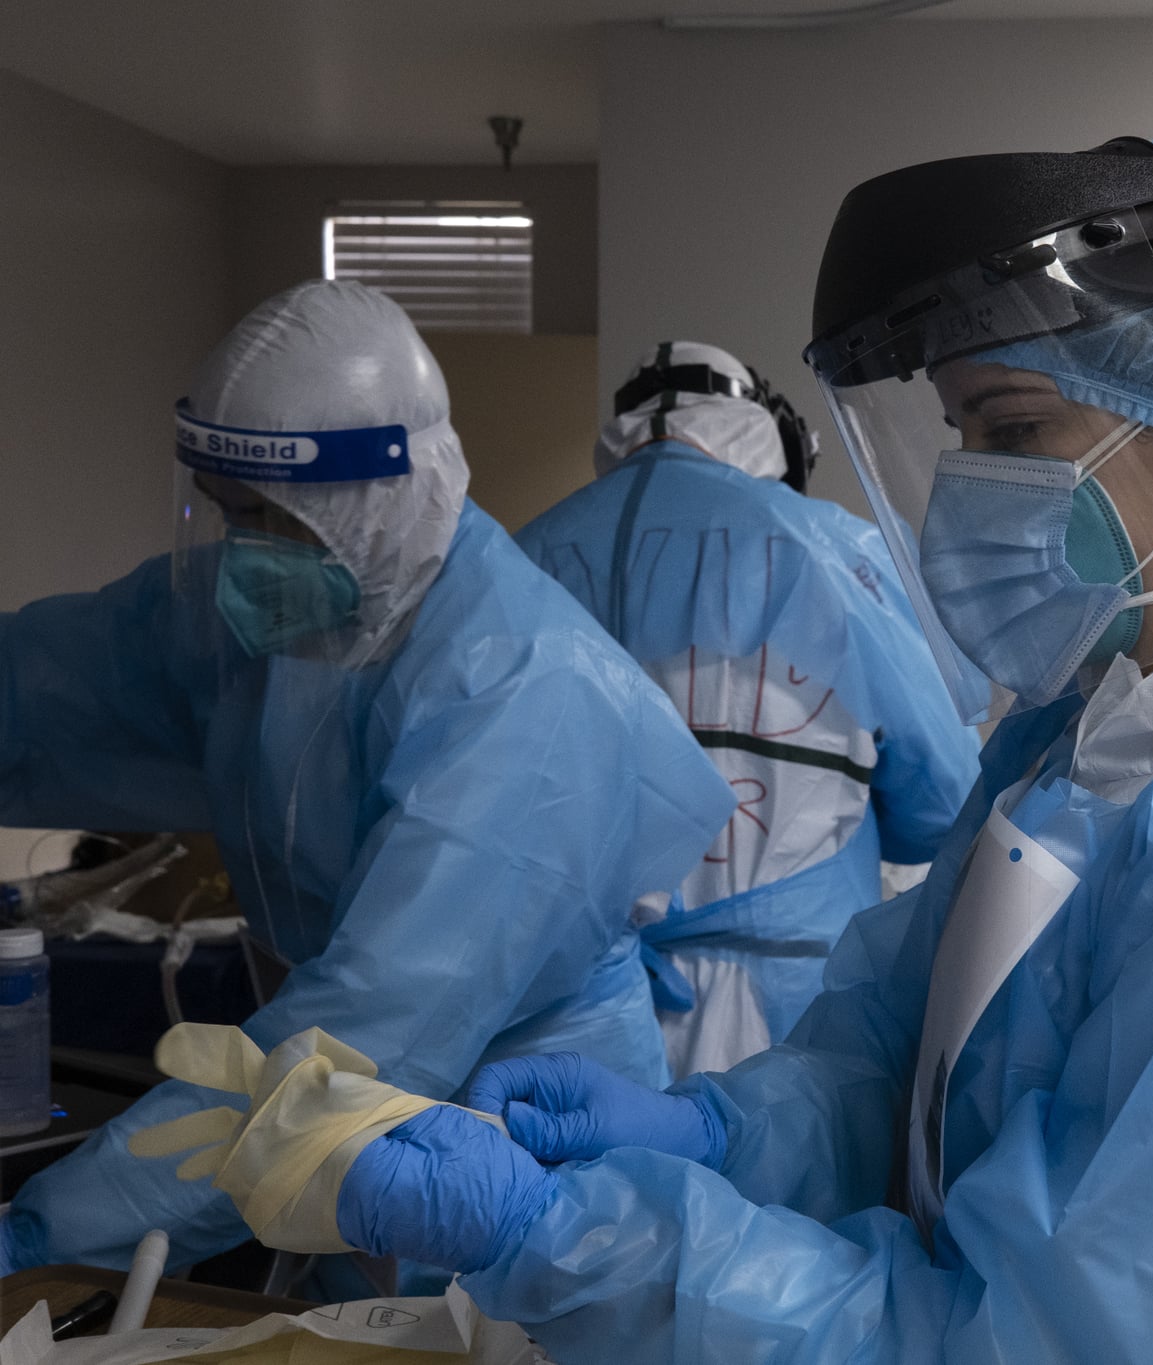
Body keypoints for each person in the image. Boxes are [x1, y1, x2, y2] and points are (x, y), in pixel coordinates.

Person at [177, 139, 1153, 1361]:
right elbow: (906, 1068)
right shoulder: (1096, 732)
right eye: (952, 435)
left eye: (1012, 426)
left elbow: (1025, 1342)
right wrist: (708, 1135)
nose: (967, 495)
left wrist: (563, 1235)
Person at [0, 281, 734, 1281]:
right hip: (340, 1122)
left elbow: (373, 1025)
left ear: (376, 499)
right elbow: (46, 686)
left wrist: (46, 1235)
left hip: (508, 1140)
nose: (240, 557)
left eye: (270, 517)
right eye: (226, 515)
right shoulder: (280, 618)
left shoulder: (522, 692)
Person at [514, 342, 978, 1077]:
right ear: (767, 433)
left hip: (574, 1022)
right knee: (775, 1175)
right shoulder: (842, 557)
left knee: (582, 1186)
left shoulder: (521, 565)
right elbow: (945, 803)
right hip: (799, 1019)